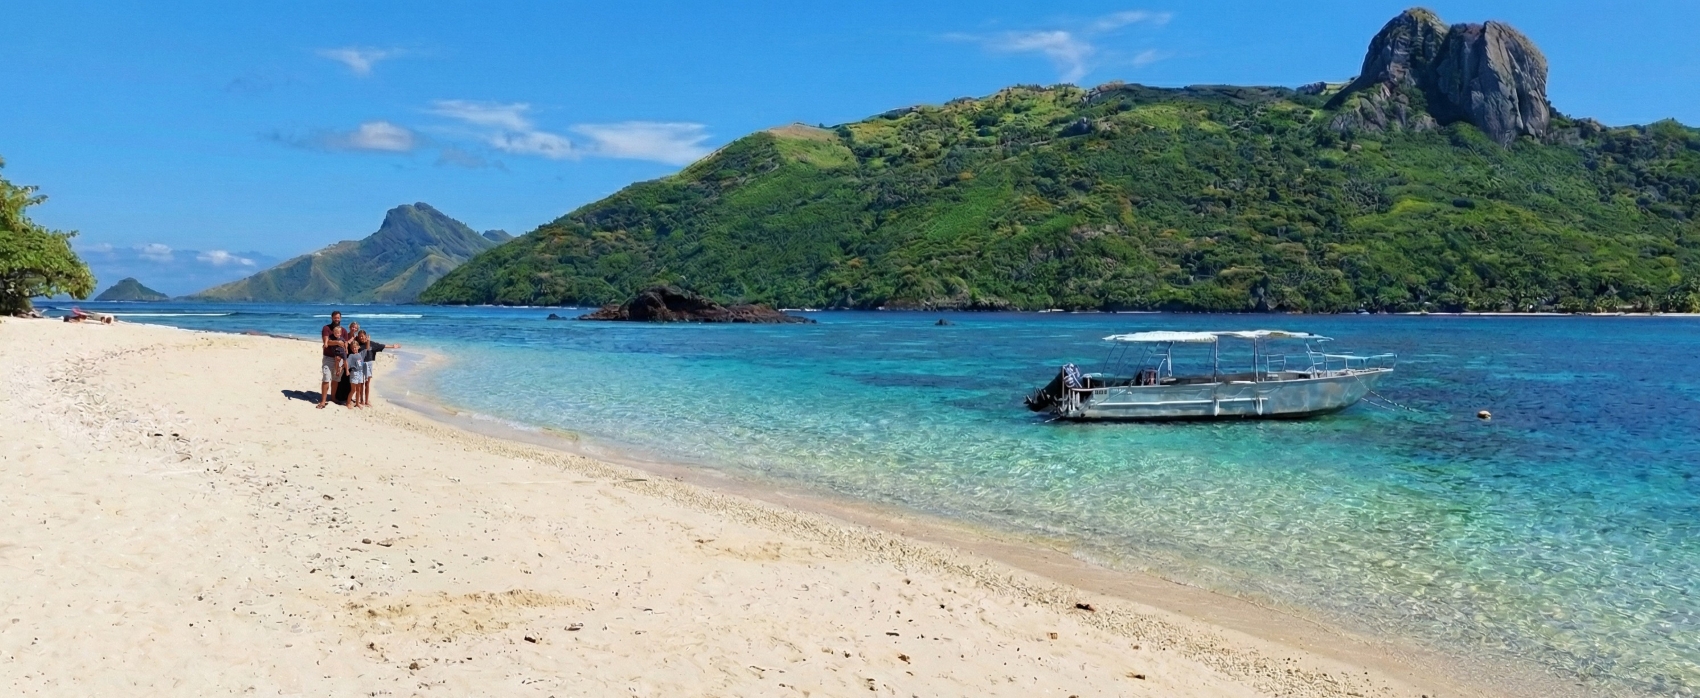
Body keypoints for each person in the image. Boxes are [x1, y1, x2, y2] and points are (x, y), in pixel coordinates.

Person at [354, 329, 400, 407]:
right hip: (360, 364)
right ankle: (361, 400)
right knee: (361, 383)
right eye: (360, 336)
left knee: (367, 384)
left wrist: (392, 346)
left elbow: (382, 345)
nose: (361, 338)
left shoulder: (372, 344)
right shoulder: (357, 344)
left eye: (362, 336)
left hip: (369, 364)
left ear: (365, 336)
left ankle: (366, 400)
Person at [317, 326, 348, 409]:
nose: (336, 319)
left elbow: (345, 343)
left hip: (339, 358)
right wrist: (337, 343)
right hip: (328, 357)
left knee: (335, 379)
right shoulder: (327, 329)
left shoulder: (343, 330)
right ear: (332, 317)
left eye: (338, 317)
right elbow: (326, 342)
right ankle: (323, 401)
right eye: (335, 317)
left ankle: (333, 397)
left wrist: (344, 352)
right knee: (326, 378)